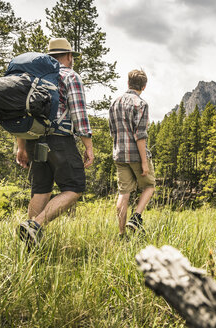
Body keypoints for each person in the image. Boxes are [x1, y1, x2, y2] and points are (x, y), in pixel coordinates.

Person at [16, 38, 94, 246]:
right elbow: (79, 114)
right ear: (69, 56)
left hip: (33, 140)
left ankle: (28, 241)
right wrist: (88, 145)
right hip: (60, 140)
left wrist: (21, 145)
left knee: (41, 189)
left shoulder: (35, 76)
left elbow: (23, 113)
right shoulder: (70, 76)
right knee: (74, 187)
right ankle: (35, 225)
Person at [109, 69, 155, 239]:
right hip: (136, 155)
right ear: (144, 86)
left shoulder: (115, 103)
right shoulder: (141, 104)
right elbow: (140, 135)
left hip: (119, 155)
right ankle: (136, 219)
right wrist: (144, 161)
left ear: (128, 83)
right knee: (149, 186)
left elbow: (113, 130)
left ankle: (121, 234)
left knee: (123, 193)